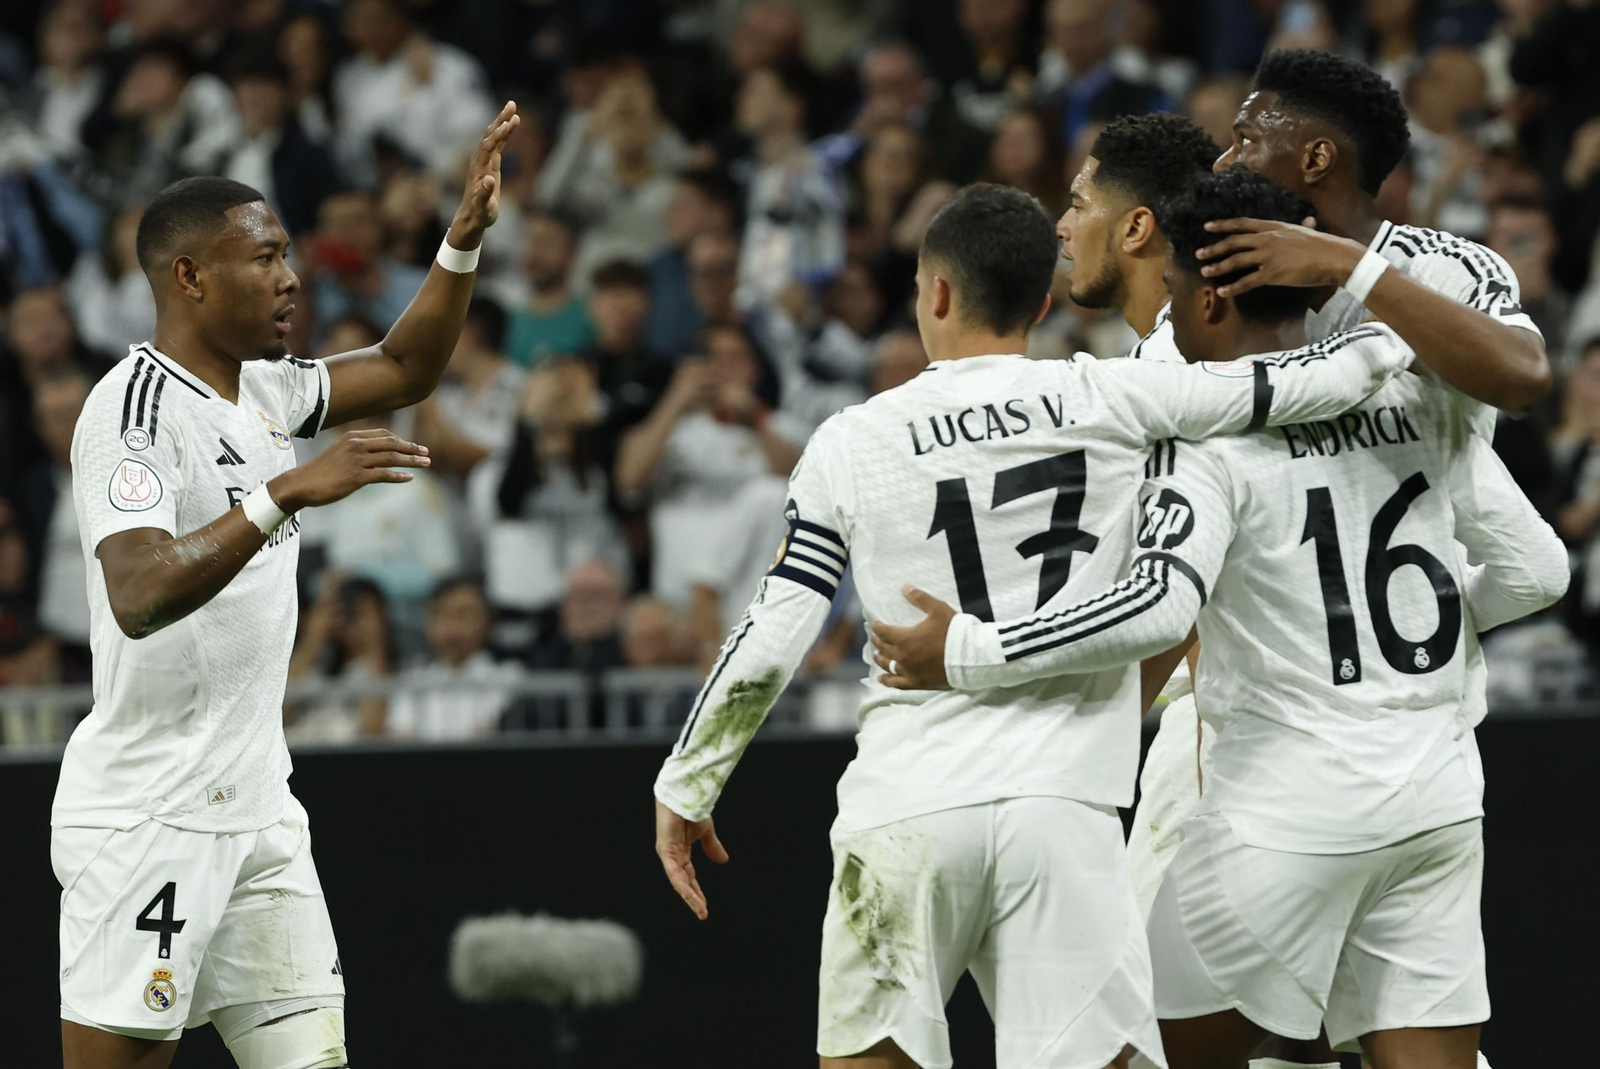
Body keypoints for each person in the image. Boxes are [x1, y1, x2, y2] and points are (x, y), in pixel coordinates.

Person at [650, 183, 1415, 1069]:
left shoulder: (850, 440)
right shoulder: (1120, 395)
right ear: (1043, 301)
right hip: (1064, 812)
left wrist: (688, 782)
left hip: (905, 811)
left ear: (935, 292)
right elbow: (1313, 380)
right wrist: (1398, 317)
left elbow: (777, 621)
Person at [869, 166, 1569, 1069]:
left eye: (1174, 293)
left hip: (1286, 814)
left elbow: (1159, 604)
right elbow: (1537, 568)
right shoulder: (1410, 391)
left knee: (1097, 1050)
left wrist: (968, 650)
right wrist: (1413, 632)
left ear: (1209, 300)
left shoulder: (1202, 435)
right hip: (1437, 799)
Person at [52, 103, 518, 1069]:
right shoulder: (128, 411)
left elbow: (402, 362)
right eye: (263, 258)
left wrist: (460, 243)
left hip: (262, 813)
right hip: (150, 818)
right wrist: (284, 489)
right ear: (189, 276)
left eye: (286, 255)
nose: (289, 278)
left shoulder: (265, 387)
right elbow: (138, 592)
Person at [386, 578, 519, 741]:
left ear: (489, 622)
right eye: (441, 614)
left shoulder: (510, 677)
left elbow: (489, 739)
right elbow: (401, 740)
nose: (452, 627)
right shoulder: (412, 680)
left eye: (462, 614)